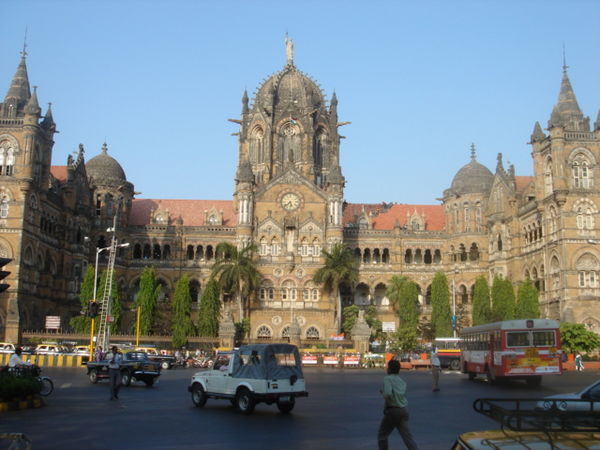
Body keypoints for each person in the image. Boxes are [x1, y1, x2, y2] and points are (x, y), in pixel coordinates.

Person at [377, 359, 418, 450]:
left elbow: (388, 394)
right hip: (403, 410)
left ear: (390, 369)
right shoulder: (401, 381)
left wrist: (383, 392)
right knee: (407, 437)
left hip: (393, 411)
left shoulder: (387, 378)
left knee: (382, 435)